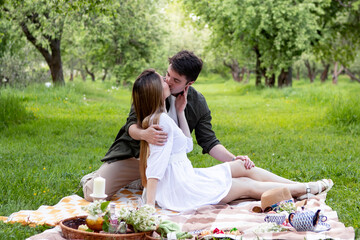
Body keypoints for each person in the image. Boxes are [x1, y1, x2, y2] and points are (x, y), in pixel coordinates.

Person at [132, 69, 333, 211]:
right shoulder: (161, 122)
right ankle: (305, 189)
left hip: (185, 177)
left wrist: (181, 112)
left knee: (242, 167)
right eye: (163, 80)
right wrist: (149, 206)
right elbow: (155, 167)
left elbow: (187, 146)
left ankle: (299, 185)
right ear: (155, 92)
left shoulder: (161, 117)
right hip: (182, 189)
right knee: (245, 184)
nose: (166, 81)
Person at [82, 50, 255, 201]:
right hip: (135, 158)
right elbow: (130, 126)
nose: (168, 81)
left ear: (189, 84)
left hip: (167, 166)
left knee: (182, 194)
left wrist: (233, 159)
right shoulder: (153, 88)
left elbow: (209, 142)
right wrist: (145, 134)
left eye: (176, 80)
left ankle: (141, 183)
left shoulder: (197, 103)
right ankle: (105, 176)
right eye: (167, 75)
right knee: (93, 194)